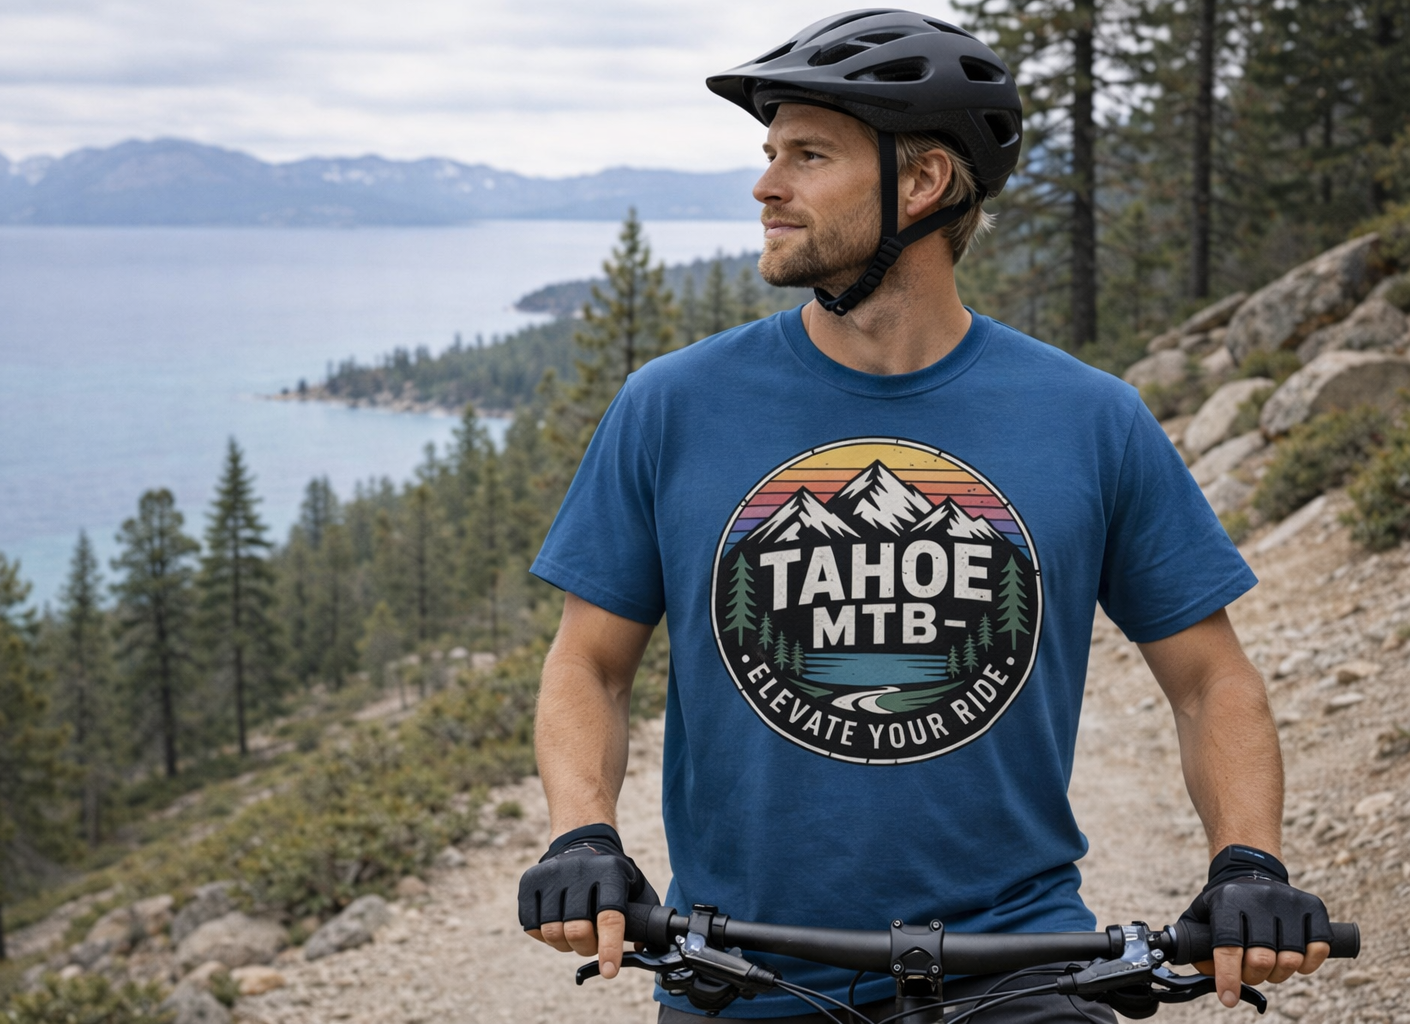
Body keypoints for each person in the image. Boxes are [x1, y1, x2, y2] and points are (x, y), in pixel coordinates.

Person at [517, 10, 1332, 1021]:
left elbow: (1212, 679)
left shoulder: (1090, 419)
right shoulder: (671, 405)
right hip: (739, 968)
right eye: (771, 154)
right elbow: (588, 662)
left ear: (923, 182)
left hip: (1021, 963)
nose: (766, 185)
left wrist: (1247, 864)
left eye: (808, 155)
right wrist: (582, 836)